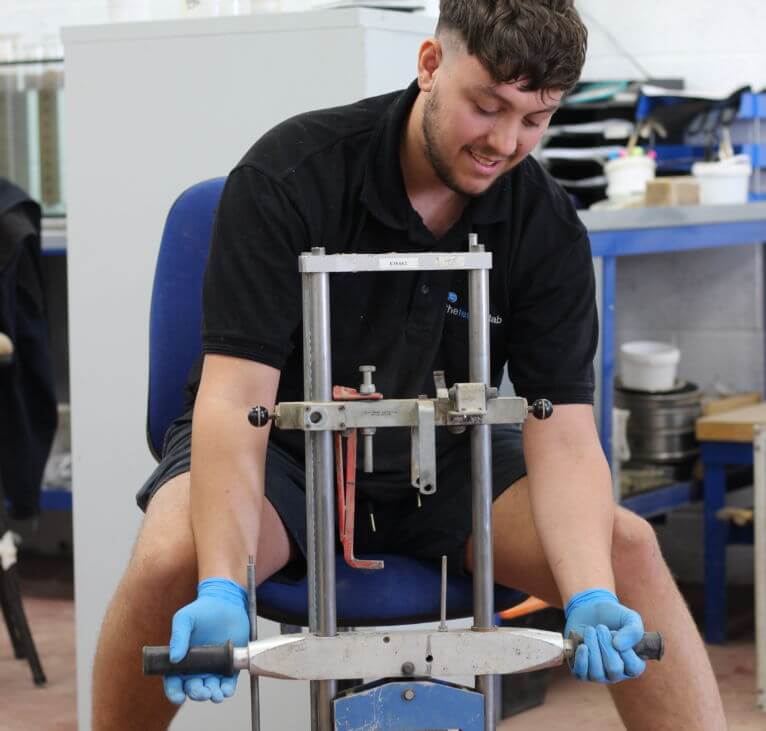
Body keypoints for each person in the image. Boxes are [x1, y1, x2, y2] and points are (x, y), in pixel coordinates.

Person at [92, 1, 727, 729]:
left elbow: (565, 433)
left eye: (535, 118)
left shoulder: (544, 223)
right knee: (172, 550)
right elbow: (236, 402)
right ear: (430, 65)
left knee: (628, 549)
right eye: (487, 107)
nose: (505, 142)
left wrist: (587, 593)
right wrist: (219, 583)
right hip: (289, 457)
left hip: (451, 462)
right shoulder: (288, 176)